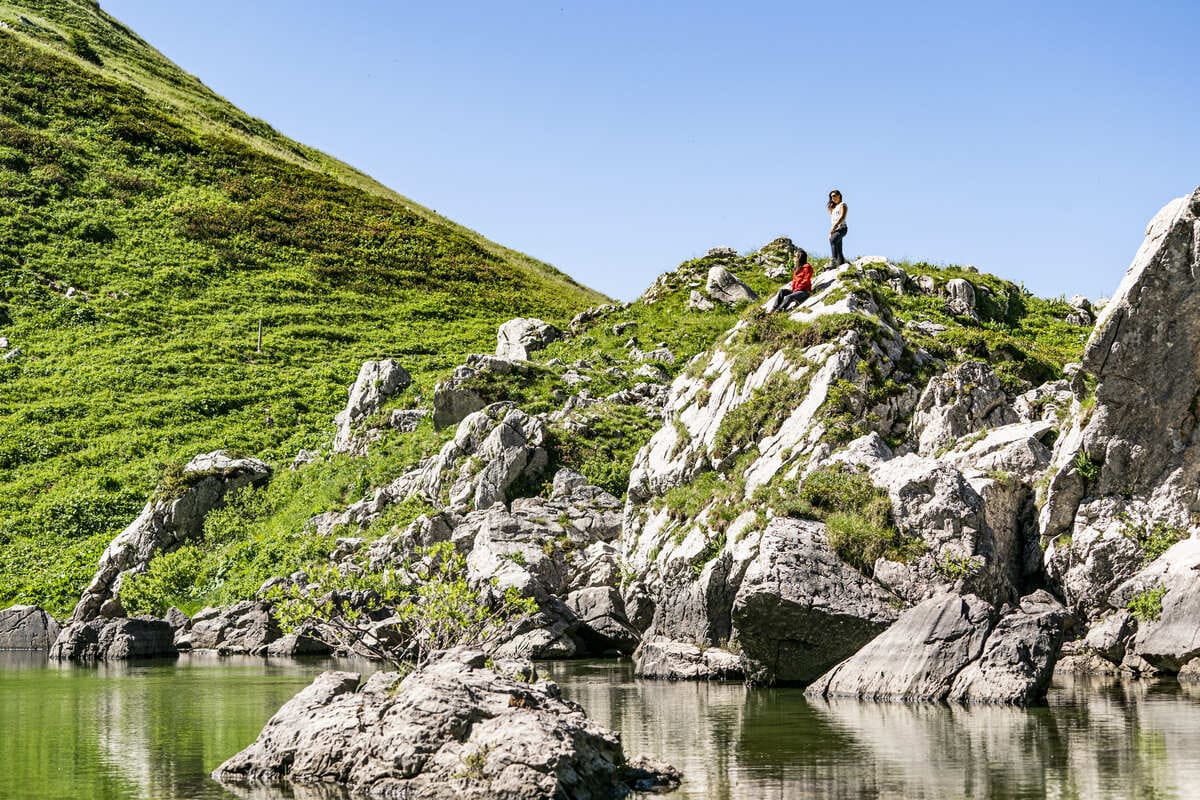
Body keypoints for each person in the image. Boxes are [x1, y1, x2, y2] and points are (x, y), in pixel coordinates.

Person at [770, 248, 813, 313]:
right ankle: (773, 309)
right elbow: (794, 280)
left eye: (796, 256)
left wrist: (797, 289)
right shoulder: (797, 268)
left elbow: (806, 280)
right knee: (782, 291)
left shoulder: (807, 267)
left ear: (799, 258)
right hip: (796, 290)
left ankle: (778, 311)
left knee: (788, 297)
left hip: (804, 291)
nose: (794, 258)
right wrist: (793, 289)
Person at [828, 189, 848, 267]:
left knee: (832, 240)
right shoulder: (833, 208)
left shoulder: (843, 204)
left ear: (839, 195)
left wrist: (834, 227)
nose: (833, 198)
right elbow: (833, 220)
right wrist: (832, 231)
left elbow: (842, 217)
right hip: (835, 229)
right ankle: (841, 264)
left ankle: (833, 260)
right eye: (831, 197)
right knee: (839, 247)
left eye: (834, 196)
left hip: (842, 228)